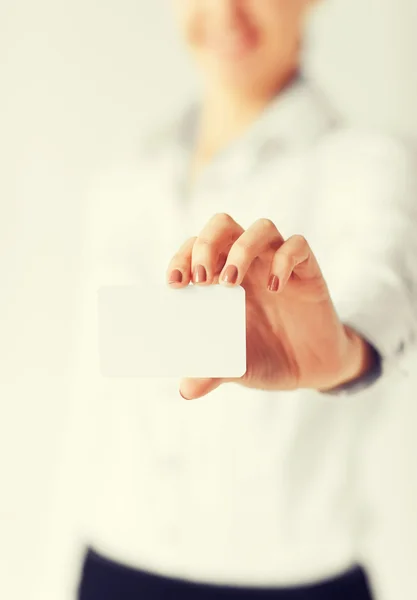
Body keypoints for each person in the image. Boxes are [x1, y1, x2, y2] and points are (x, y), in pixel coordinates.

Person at [44, 1, 417, 599]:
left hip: (296, 584)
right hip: (113, 564)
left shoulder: (365, 163)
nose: (225, 11)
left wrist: (345, 351)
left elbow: (385, 287)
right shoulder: (127, 179)